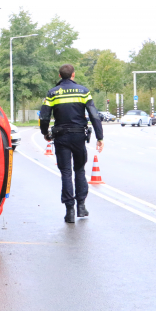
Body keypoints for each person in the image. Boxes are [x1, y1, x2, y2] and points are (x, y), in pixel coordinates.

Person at [39, 64, 104, 223]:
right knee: (80, 170)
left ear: (60, 76)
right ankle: (81, 206)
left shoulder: (53, 93)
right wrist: (100, 137)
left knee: (66, 173)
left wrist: (45, 133)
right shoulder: (83, 91)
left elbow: (45, 116)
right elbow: (94, 115)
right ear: (73, 75)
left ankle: (69, 211)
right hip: (78, 136)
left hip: (61, 137)